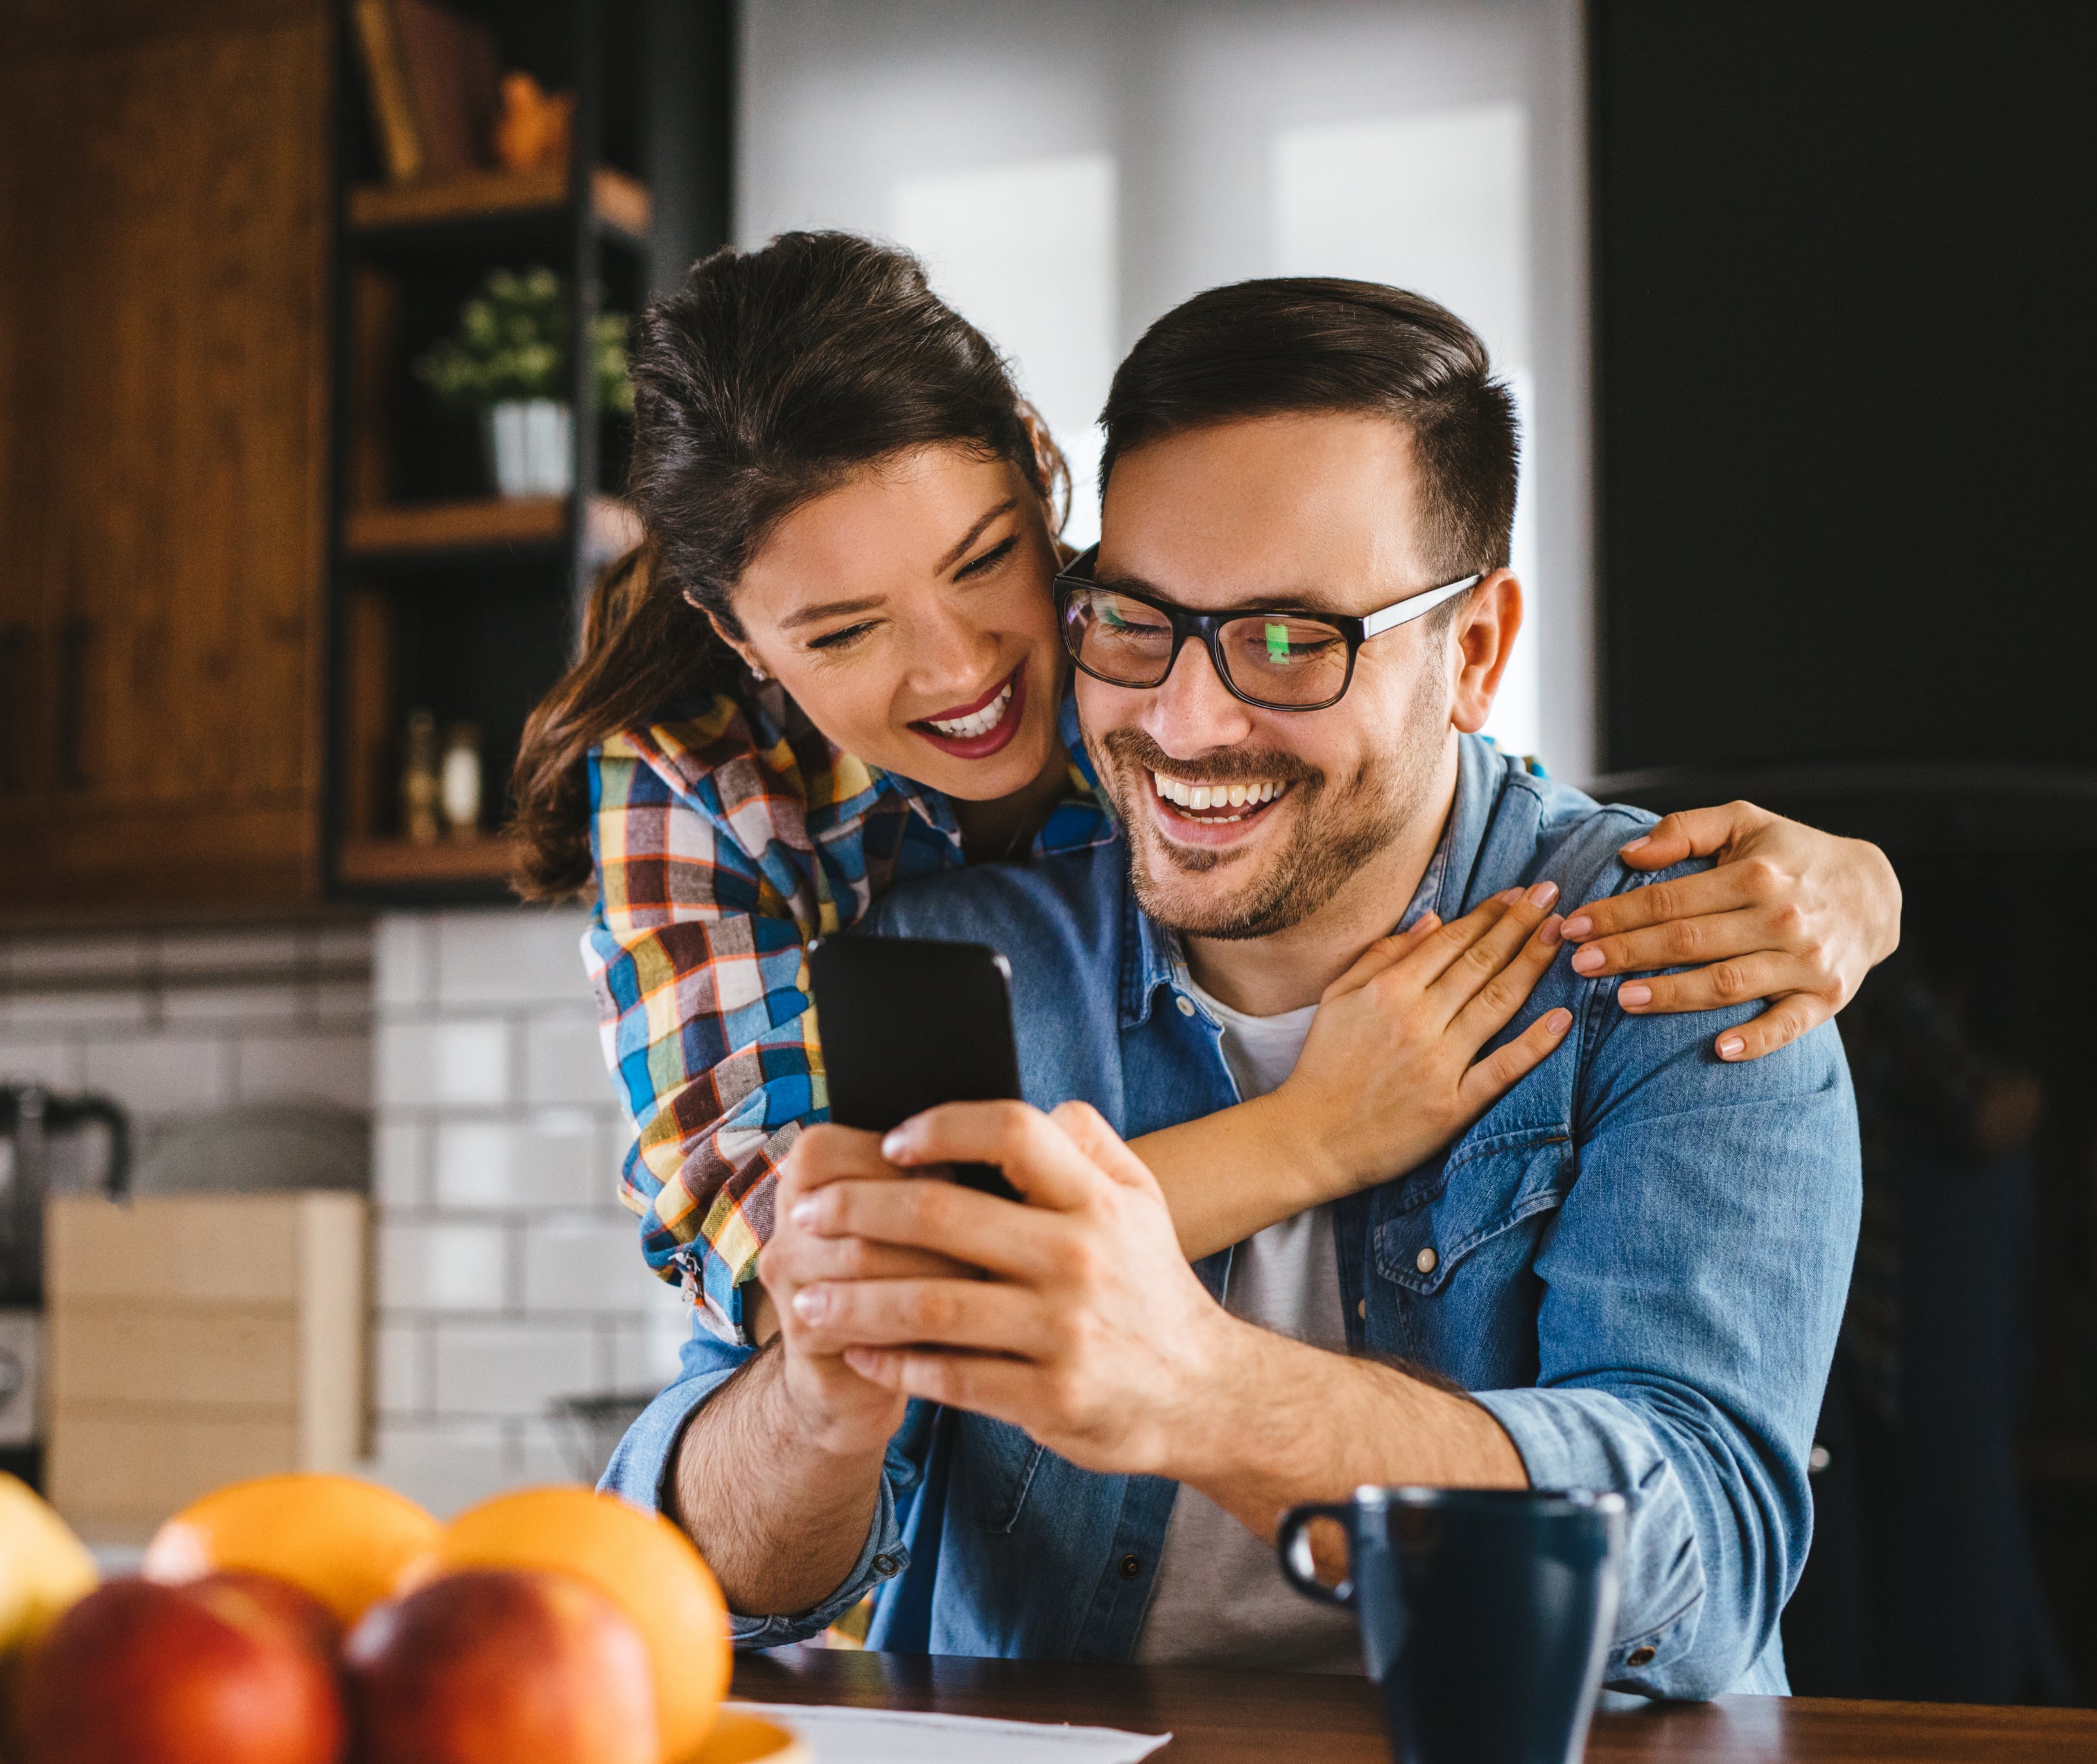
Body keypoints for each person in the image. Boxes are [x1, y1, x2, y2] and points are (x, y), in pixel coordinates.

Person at [603, 278, 1861, 1698]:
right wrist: (816, 1414)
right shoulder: (930, 954)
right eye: (1134, 621)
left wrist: (1208, 1395)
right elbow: (711, 1579)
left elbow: (1706, 1556)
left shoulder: (1691, 946)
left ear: (1478, 653)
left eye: (1292, 641)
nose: (1189, 723)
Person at [510, 232, 1898, 1345]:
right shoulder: (695, 789)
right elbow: (814, 1280)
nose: (964, 670)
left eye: (988, 559)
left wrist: (1860, 883)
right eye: (841, 633)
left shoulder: (1139, 645)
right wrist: (1309, 1138)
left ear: (1042, 481)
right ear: (738, 635)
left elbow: (1407, 777)